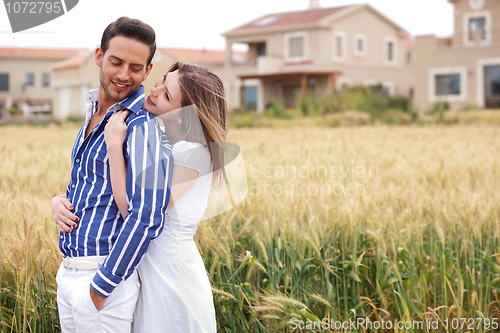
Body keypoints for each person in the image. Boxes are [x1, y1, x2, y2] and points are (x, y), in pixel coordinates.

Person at [51, 17, 173, 333]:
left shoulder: (141, 127)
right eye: (116, 62)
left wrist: (102, 286)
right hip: (69, 275)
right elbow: (91, 183)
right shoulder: (96, 113)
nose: (122, 75)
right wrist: (59, 202)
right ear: (99, 57)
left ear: (147, 71)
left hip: (101, 281)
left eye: (135, 67)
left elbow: (147, 215)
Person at [106, 61, 227, 332]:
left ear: (184, 115)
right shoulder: (161, 141)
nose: (156, 89)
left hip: (172, 279)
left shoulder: (192, 153)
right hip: (151, 272)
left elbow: (133, 210)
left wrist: (114, 147)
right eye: (162, 79)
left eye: (167, 95)